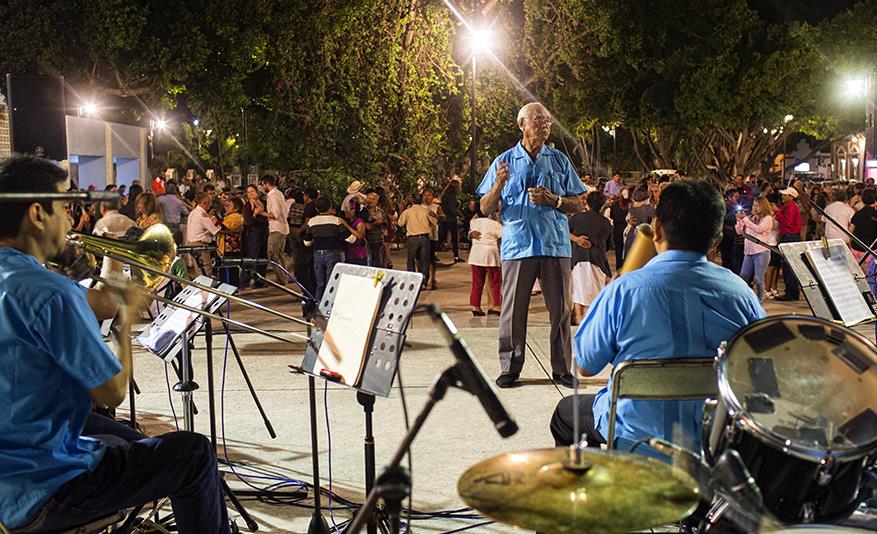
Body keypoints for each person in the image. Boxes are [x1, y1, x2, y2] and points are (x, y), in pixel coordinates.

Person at [0, 155, 228, 533]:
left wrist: (112, 256)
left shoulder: (24, 280)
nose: (72, 220)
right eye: (64, 207)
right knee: (193, 453)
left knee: (128, 437)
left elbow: (96, 302)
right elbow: (111, 392)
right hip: (47, 487)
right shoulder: (50, 292)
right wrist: (126, 324)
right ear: (38, 214)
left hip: (10, 458)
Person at [549, 179, 765, 451]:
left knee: (565, 414)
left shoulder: (623, 290)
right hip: (711, 443)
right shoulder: (742, 295)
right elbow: (763, 376)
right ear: (717, 240)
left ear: (657, 229)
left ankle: (597, 486)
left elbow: (585, 365)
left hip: (635, 436)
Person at [477, 102, 585, 389]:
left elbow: (579, 202)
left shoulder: (560, 160)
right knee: (513, 311)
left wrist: (555, 200)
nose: (545, 125)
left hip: (554, 246)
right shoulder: (504, 161)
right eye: (538, 119)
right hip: (517, 246)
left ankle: (561, 368)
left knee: (561, 311)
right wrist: (498, 185)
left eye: (548, 120)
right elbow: (485, 207)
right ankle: (510, 367)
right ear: (522, 124)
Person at [569, 192, 612, 324]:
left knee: (578, 292)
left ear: (587, 203)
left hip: (578, 259)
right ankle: (593, 321)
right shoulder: (606, 223)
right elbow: (609, 245)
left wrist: (577, 240)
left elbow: (563, 231)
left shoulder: (576, 218)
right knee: (596, 293)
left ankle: (578, 319)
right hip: (598, 260)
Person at [302, 196, 356, 300]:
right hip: (332, 253)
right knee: (331, 282)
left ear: (317, 209)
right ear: (330, 207)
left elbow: (307, 242)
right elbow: (350, 239)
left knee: (320, 284)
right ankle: (329, 307)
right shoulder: (336, 221)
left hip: (317, 254)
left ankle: (318, 307)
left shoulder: (311, 222)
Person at [735, 196, 774, 301]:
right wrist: (739, 221)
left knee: (758, 279)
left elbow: (759, 229)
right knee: (743, 275)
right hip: (748, 252)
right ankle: (744, 298)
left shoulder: (768, 218)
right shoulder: (751, 217)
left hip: (761, 251)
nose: (755, 207)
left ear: (764, 206)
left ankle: (759, 301)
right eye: (754, 205)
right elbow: (739, 232)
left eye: (758, 205)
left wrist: (746, 220)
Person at [467, 209, 502, 316]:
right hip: (490, 254)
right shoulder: (495, 224)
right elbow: (503, 235)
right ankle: (496, 306)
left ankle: (475, 306)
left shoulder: (473, 222)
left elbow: (470, 232)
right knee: (495, 282)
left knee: (477, 283)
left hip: (476, 254)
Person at [398, 194, 435, 289]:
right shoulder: (426, 211)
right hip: (424, 237)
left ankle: (412, 282)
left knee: (411, 261)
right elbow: (434, 222)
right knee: (424, 261)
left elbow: (400, 223)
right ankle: (424, 282)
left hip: (412, 238)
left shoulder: (408, 211)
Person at [259, 175, 290, 285]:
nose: (262, 187)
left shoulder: (273, 196)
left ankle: (281, 278)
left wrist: (261, 213)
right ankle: (283, 277)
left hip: (277, 228)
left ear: (267, 184)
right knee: (279, 254)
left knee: (272, 254)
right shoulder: (278, 194)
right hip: (282, 227)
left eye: (263, 185)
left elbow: (275, 214)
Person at [774, 186, 803, 301]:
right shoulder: (787, 206)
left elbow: (787, 222)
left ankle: (791, 292)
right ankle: (791, 291)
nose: (782, 196)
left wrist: (777, 211)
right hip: (789, 237)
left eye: (785, 195)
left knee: (789, 266)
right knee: (788, 266)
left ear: (791, 196)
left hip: (790, 237)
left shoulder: (791, 207)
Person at [184, 191, 220, 277]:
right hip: (200, 244)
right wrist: (219, 225)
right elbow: (214, 230)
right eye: (210, 202)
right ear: (204, 202)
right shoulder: (202, 214)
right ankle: (206, 289)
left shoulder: (193, 212)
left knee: (198, 271)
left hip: (191, 243)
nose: (211, 204)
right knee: (206, 270)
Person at [240, 184, 269, 289]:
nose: (251, 194)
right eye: (248, 192)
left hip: (264, 233)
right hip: (253, 234)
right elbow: (248, 221)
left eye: (252, 191)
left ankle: (260, 281)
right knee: (251, 258)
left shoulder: (263, 203)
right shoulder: (248, 206)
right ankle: (244, 282)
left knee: (263, 258)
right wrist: (255, 213)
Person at [216, 196, 244, 287]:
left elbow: (225, 227)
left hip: (231, 247)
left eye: (229, 206)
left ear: (236, 208)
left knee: (230, 268)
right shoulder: (228, 216)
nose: (227, 207)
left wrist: (214, 218)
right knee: (224, 268)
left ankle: (230, 287)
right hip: (224, 247)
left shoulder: (237, 217)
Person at [850, 187, 877, 266]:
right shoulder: (875, 214)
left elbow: (850, 230)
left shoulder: (857, 214)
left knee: (858, 272)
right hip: (871, 250)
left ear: (862, 199)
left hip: (856, 248)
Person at [440, 176, 463, 262]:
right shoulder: (452, 196)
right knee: (454, 238)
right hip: (450, 219)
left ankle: (432, 254)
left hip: (444, 218)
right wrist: (459, 215)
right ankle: (456, 256)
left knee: (441, 237)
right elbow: (452, 208)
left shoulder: (445, 195)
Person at [364, 190, 388, 267]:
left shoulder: (380, 212)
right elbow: (367, 227)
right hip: (366, 241)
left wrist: (381, 223)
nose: (371, 201)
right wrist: (375, 223)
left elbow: (385, 225)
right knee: (369, 264)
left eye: (373, 199)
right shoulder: (363, 211)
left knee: (380, 264)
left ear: (377, 201)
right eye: (369, 198)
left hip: (378, 240)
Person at [343, 200, 369, 265]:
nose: (345, 211)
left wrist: (346, 226)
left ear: (353, 211)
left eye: (347, 209)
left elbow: (360, 235)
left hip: (359, 256)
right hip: (349, 255)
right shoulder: (349, 221)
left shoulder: (359, 222)